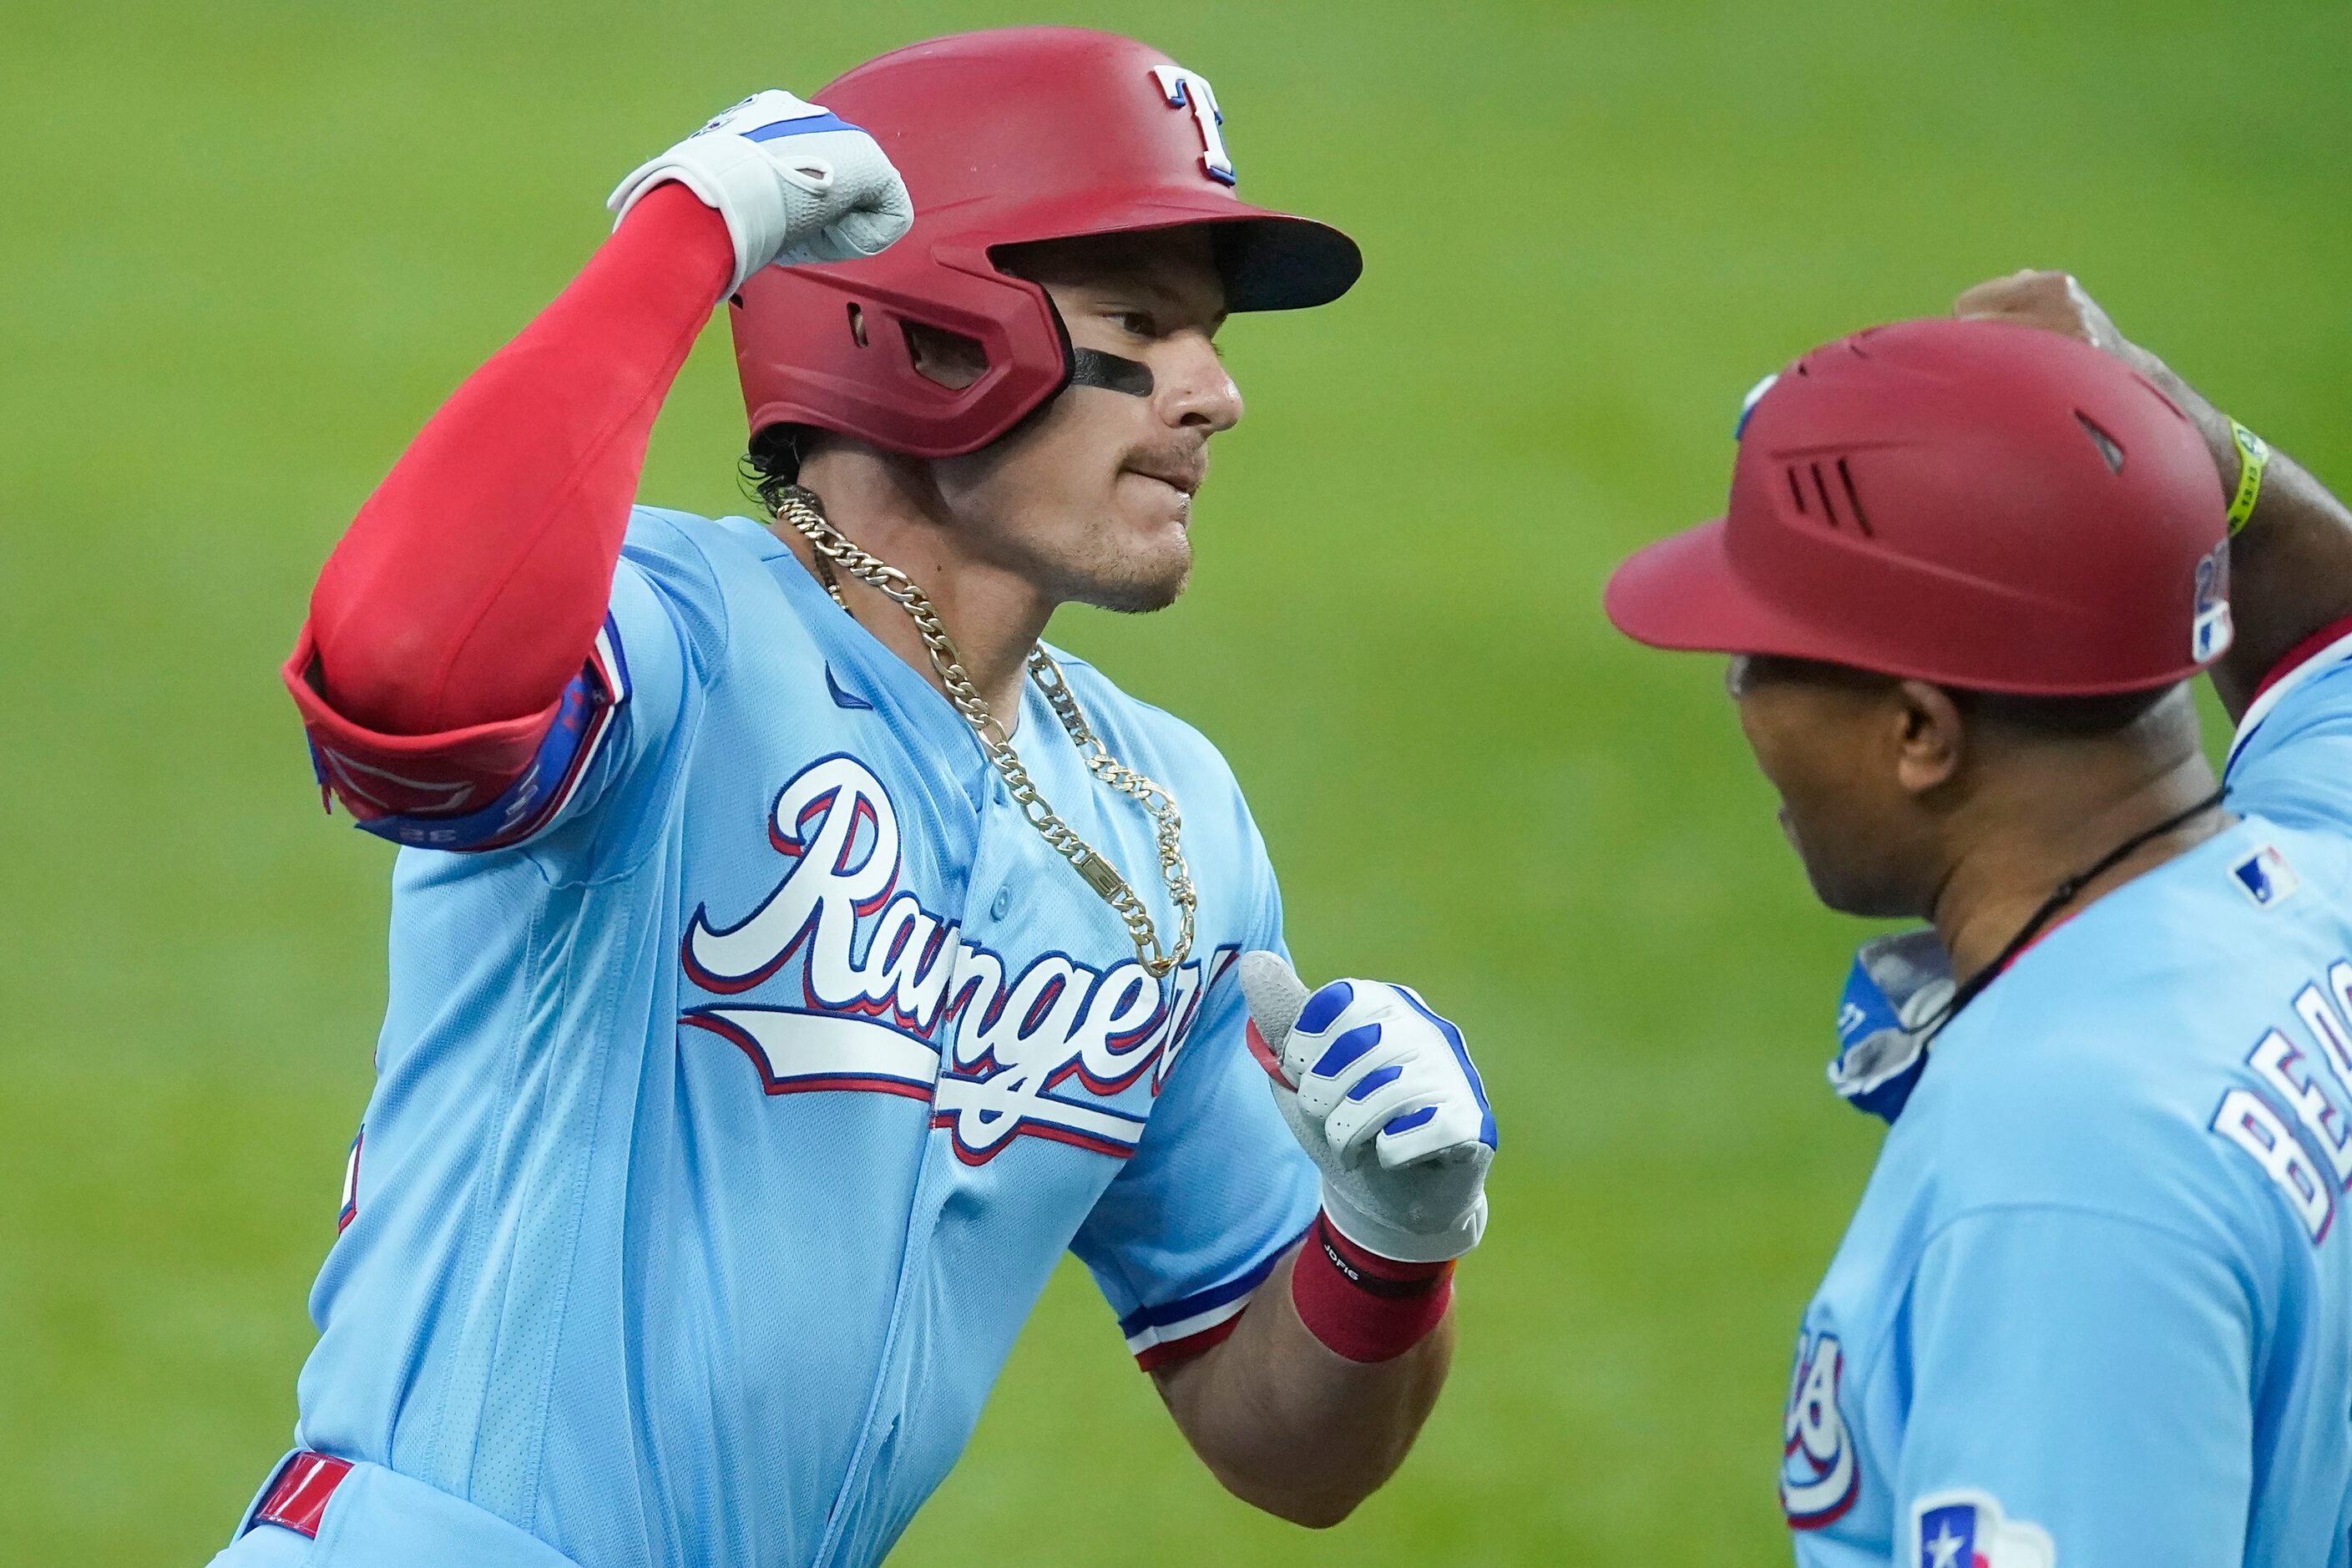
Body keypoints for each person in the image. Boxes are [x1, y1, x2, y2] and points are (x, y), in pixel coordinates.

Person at [225, 28, 1495, 1567]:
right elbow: (401, 685)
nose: (1215, 395)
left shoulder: (1173, 817)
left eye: (1212, 336)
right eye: (1142, 325)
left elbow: (1284, 1448)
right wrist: (684, 236)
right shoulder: (666, 644)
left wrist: (1389, 1243)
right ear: (930, 331)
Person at [1605, 275, 2352, 1564]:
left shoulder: (2063, 1175)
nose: (1731, 689)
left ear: (1916, 732)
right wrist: (2192, 457)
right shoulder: (2316, 866)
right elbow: (2327, 630)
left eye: (1760, 652)